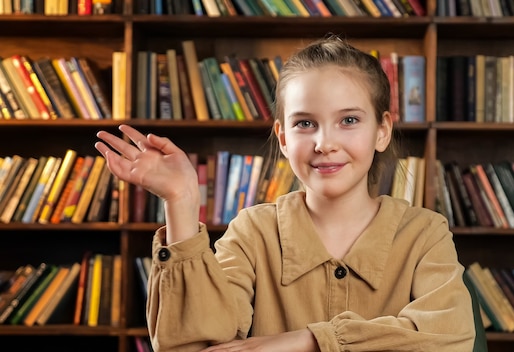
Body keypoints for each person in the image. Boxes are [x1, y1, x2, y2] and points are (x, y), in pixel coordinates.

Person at [95, 36, 475, 352]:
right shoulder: (253, 231)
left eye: (349, 120)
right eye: (305, 123)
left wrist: (308, 341)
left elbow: (450, 338)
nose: (325, 143)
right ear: (282, 137)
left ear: (382, 130)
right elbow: (193, 344)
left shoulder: (425, 232)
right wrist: (180, 200)